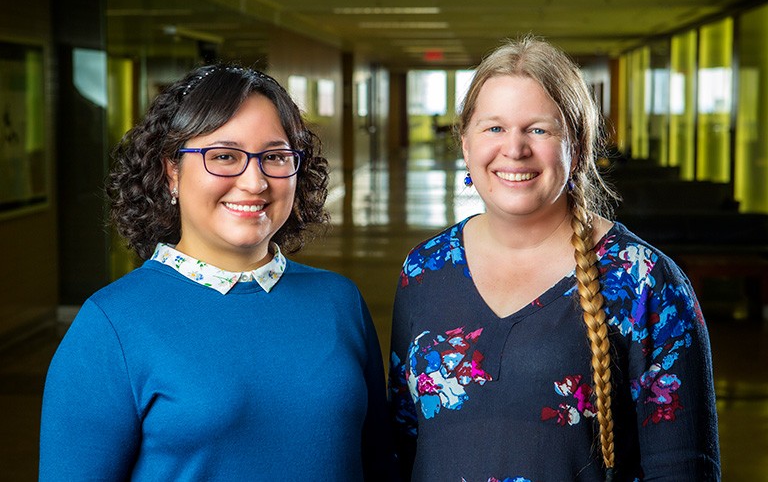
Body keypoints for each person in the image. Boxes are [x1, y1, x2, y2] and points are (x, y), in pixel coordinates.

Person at [388, 36, 720, 481]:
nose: (515, 149)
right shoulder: (425, 269)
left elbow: (682, 468)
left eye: (539, 129)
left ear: (578, 146)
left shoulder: (643, 281)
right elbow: (401, 441)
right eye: (494, 128)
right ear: (465, 143)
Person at [40, 64, 393, 480]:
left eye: (275, 157)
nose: (254, 182)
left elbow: (380, 461)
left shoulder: (338, 301)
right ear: (171, 170)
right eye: (224, 156)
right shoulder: (112, 323)